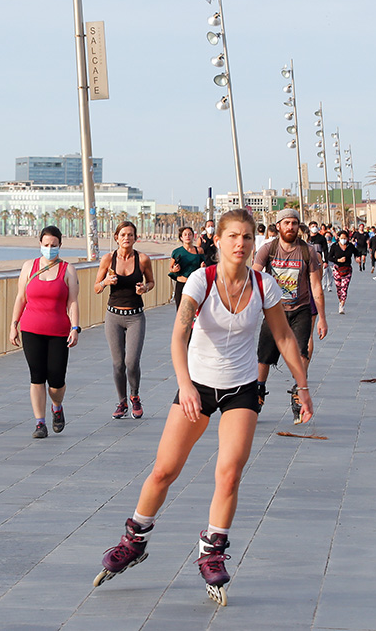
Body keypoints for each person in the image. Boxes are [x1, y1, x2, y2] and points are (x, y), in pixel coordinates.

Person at [92, 209, 314, 607]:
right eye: (233, 236)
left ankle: (212, 550)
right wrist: (185, 386)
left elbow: (282, 336)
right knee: (164, 470)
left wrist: (303, 385)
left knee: (229, 474)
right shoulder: (202, 280)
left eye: (247, 237)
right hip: (196, 386)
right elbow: (179, 336)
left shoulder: (264, 285)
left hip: (241, 389)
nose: (240, 244)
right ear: (221, 240)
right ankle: (134, 540)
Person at [9, 226, 81, 438]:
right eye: (46, 245)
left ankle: (56, 406)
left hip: (59, 330)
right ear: (40, 244)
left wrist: (75, 327)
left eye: (54, 245)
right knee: (37, 376)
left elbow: (73, 301)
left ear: (60, 245)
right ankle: (40, 423)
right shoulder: (28, 267)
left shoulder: (67, 270)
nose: (49, 249)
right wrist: (14, 324)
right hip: (31, 328)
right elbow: (21, 297)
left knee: (56, 380)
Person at [252, 208, 326, 409]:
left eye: (294, 223)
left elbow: (316, 285)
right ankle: (259, 390)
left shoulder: (307, 250)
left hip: (301, 309)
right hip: (274, 310)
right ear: (278, 226)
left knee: (302, 352)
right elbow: (253, 277)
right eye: (286, 223)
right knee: (264, 355)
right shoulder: (268, 249)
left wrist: (322, 318)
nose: (290, 227)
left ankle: (297, 390)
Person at [95, 221, 156, 420]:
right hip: (113, 316)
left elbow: (151, 282)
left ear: (135, 238)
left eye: (130, 235)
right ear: (116, 238)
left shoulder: (143, 259)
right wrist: (105, 282)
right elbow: (96, 287)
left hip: (135, 316)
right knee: (118, 363)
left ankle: (135, 396)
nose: (126, 238)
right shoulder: (107, 259)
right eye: (123, 235)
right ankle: (122, 402)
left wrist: (144, 289)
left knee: (132, 361)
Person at [168, 226, 204, 309]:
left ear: (193, 236)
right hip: (181, 283)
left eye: (190, 234)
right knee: (181, 310)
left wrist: (202, 267)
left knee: (195, 310)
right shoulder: (176, 252)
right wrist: (174, 269)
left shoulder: (199, 250)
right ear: (181, 237)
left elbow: (203, 264)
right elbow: (170, 268)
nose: (188, 236)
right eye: (185, 234)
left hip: (195, 284)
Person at [329, 230, 361, 314]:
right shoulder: (334, 246)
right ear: (338, 238)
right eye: (342, 238)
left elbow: (356, 252)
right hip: (337, 269)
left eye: (345, 238)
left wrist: (357, 258)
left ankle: (342, 305)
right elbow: (329, 257)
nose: (343, 240)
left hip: (347, 269)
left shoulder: (350, 246)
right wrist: (338, 260)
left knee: (344, 287)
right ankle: (340, 300)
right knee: (339, 288)